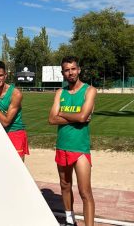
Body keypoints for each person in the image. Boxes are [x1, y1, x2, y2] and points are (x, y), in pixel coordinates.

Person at [48, 56, 96, 226]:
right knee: (65, 185)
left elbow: (83, 116)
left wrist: (62, 113)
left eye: (73, 69)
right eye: (67, 70)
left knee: (85, 192)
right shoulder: (60, 93)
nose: (71, 72)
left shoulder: (89, 90)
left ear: (79, 70)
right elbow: (51, 119)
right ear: (63, 73)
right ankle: (70, 221)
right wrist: (78, 117)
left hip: (80, 148)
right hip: (62, 146)